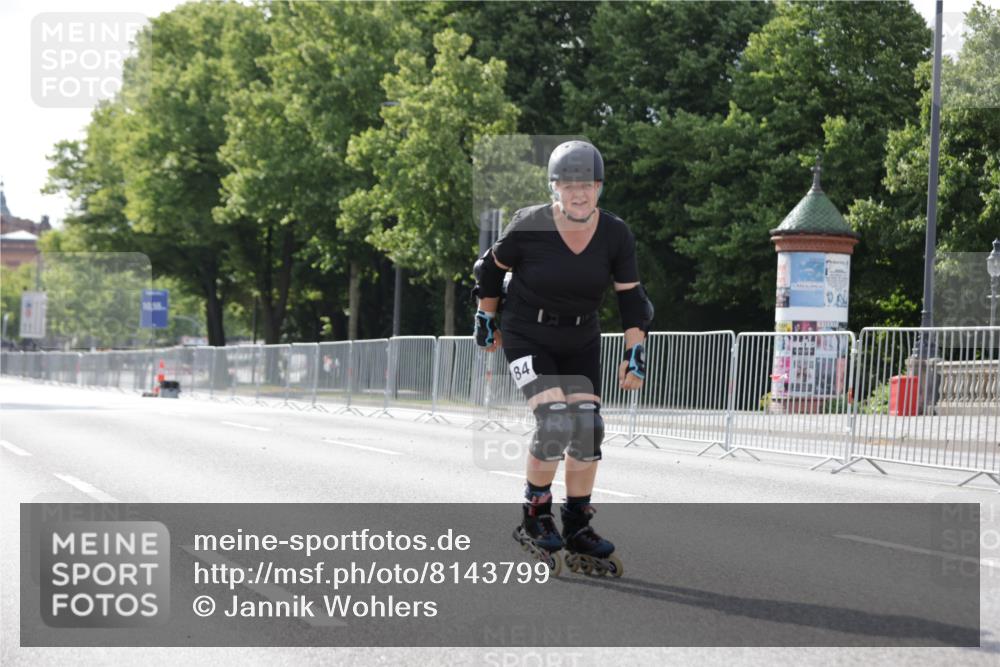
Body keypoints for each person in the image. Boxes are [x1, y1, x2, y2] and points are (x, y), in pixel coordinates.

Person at [472, 140, 653, 576]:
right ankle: (535, 513)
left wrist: (636, 353)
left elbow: (632, 300)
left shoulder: (615, 233)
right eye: (569, 185)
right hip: (527, 332)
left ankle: (577, 524)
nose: (579, 193)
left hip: (580, 338)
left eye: (588, 185)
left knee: (588, 429)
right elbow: (489, 269)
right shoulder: (530, 225)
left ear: (599, 188)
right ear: (555, 187)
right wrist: (486, 318)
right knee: (554, 420)